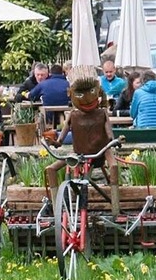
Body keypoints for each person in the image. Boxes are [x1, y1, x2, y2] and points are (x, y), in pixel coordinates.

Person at [46, 78, 120, 216]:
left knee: (114, 166)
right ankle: (57, 210)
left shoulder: (102, 113)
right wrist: (54, 142)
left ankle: (116, 210)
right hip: (79, 153)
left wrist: (114, 141)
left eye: (91, 92)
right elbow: (61, 139)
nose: (86, 99)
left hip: (102, 151)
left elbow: (109, 134)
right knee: (51, 169)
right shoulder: (73, 115)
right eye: (80, 95)